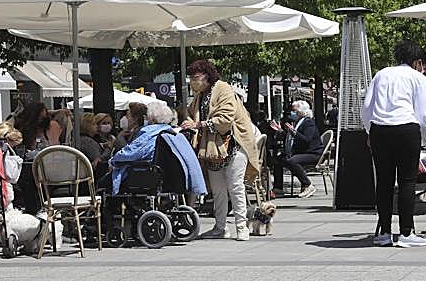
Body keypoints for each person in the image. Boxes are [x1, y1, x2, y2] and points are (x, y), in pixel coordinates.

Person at [362, 40, 426, 248]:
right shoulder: (417, 78)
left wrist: (370, 131)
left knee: (384, 182)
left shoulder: (381, 74)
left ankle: (385, 233)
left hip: (380, 129)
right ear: (417, 62)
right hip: (406, 128)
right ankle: (406, 232)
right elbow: (423, 113)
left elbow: (367, 107)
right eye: (423, 66)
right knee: (407, 181)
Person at [180, 60, 259, 241]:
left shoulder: (223, 89)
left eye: (196, 77)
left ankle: (241, 227)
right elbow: (192, 113)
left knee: (235, 186)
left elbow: (225, 118)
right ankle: (220, 227)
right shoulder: (200, 94)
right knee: (217, 190)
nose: (193, 81)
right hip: (212, 149)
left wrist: (198, 124)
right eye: (191, 78)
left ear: (206, 77)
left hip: (234, 145)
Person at [109, 102, 175, 194]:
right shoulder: (169, 131)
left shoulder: (149, 132)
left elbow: (131, 153)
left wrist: (113, 160)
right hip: (162, 173)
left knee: (103, 182)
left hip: (141, 173)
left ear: (151, 117)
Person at [271, 100, 323, 198]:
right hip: (300, 152)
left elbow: (306, 140)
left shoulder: (308, 123)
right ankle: (278, 188)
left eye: (294, 110)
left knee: (292, 161)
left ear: (301, 111)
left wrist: (293, 132)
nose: (292, 113)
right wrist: (281, 131)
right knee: (278, 160)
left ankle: (307, 184)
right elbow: (292, 139)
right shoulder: (297, 122)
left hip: (312, 153)